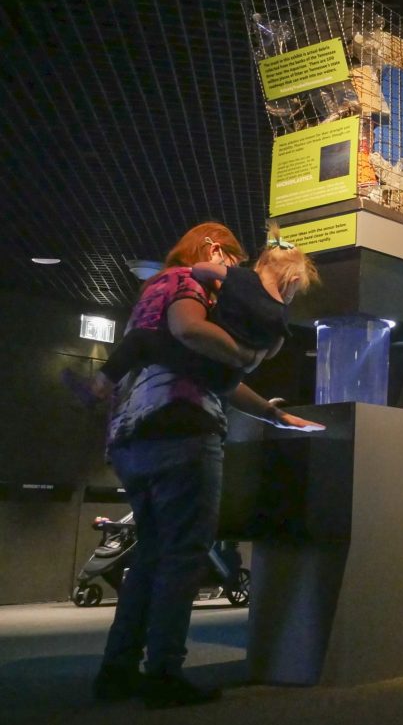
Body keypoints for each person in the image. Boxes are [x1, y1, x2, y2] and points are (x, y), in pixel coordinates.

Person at [93, 222, 324, 709]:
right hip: (181, 427)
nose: (235, 272)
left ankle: (117, 670)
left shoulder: (152, 296)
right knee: (183, 555)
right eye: (232, 260)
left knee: (153, 555)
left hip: (132, 435)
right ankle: (163, 672)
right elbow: (192, 335)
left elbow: (200, 367)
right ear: (214, 250)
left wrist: (271, 412)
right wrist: (245, 354)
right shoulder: (187, 284)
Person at [72, 223, 319, 400]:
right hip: (218, 385)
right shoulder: (281, 311)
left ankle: (98, 387)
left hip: (152, 406)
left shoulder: (222, 279)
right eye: (236, 260)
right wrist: (249, 357)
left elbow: (189, 329)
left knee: (139, 341)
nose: (238, 267)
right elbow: (270, 351)